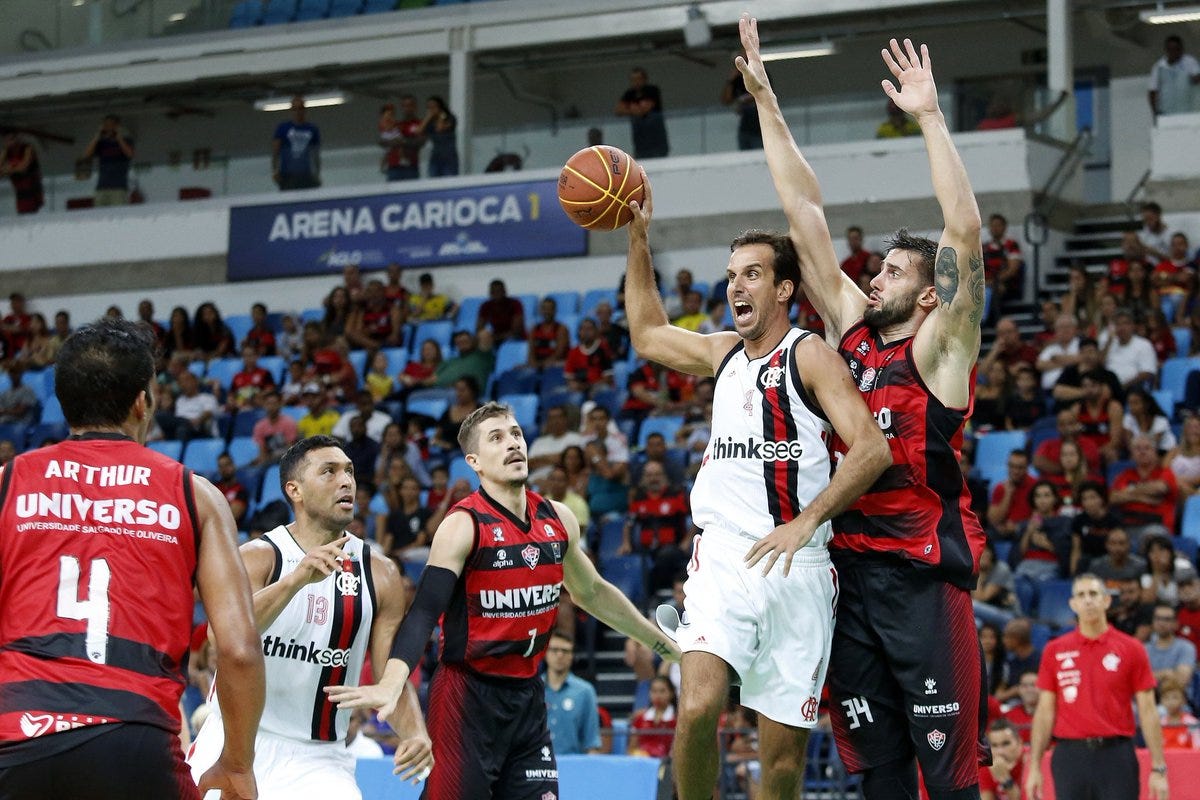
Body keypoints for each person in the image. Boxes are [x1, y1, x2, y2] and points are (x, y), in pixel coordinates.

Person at [623, 23, 892, 800]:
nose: (735, 287)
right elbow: (645, 334)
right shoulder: (720, 354)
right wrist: (639, 240)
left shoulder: (809, 354)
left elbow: (872, 448)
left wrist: (807, 523)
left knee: (779, 767)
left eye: (751, 274)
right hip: (725, 562)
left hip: (802, 570)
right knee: (698, 706)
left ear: (784, 289)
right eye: (729, 274)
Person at [743, 16, 988, 797]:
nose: (872, 278)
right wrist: (766, 101)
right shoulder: (850, 338)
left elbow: (965, 233)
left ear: (927, 292)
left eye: (890, 271)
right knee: (877, 777)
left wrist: (928, 118)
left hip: (921, 583)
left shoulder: (940, 353)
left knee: (949, 780)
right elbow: (804, 217)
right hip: (845, 581)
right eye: (874, 269)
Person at [325, 402, 681, 798]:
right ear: (473, 461)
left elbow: (592, 591)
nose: (513, 443)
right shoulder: (462, 525)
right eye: (497, 438)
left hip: (528, 697)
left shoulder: (557, 518)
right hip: (466, 698)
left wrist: (661, 643)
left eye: (516, 434)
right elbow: (425, 610)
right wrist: (391, 682)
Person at [0, 318, 265, 798]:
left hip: (16, 730)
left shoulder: (6, 483)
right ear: (144, 399)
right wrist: (237, 763)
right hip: (136, 737)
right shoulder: (195, 494)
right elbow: (240, 649)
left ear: (62, 399)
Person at [186, 436, 432, 797]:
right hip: (235, 744)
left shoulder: (381, 574)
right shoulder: (259, 557)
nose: (346, 481)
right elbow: (220, 639)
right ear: (295, 490)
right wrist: (296, 580)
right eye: (329, 472)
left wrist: (414, 732)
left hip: (320, 758)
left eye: (349, 471)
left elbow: (388, 677)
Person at [1024, 573, 1168, 800]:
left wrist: (1159, 769)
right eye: (1081, 595)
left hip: (1117, 755)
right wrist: (1034, 767)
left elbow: (1148, 711)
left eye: (1094, 594)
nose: (1088, 600)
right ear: (1073, 604)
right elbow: (1044, 712)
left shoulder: (1131, 648)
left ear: (1107, 600)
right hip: (1070, 757)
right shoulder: (1055, 650)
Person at [543, 631, 602, 756]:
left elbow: (591, 742)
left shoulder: (585, 691)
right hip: (537, 768)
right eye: (554, 650)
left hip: (573, 767)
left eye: (565, 651)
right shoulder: (533, 689)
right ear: (545, 653)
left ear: (571, 656)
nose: (559, 655)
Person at [616, 67, 669, 159]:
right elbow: (618, 110)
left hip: (656, 137)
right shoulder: (629, 94)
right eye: (633, 79)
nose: (636, 82)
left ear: (644, 79)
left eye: (638, 79)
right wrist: (634, 110)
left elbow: (645, 109)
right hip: (640, 142)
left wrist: (632, 108)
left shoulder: (652, 90)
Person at [82, 114, 134, 206]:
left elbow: (129, 154)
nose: (109, 128)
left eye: (111, 125)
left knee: (119, 211)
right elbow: (87, 155)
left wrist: (119, 138)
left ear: (117, 126)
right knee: (100, 214)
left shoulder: (126, 140)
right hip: (102, 186)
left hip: (119, 187)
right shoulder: (101, 143)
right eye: (106, 125)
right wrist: (96, 137)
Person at [272, 95, 321, 191]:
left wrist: (317, 173)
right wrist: (275, 171)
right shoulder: (283, 128)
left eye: (300, 109)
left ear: (304, 110)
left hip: (306, 174)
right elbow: (275, 151)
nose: (298, 112)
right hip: (287, 175)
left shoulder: (312, 129)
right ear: (291, 110)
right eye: (295, 109)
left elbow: (315, 154)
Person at [1149, 35, 1200, 117]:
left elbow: (1197, 79)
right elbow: (1153, 91)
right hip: (1166, 111)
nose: (1173, 52)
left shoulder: (1190, 62)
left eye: (1177, 49)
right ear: (1166, 50)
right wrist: (1155, 113)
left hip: (1188, 109)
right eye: (1170, 49)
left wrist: (1192, 79)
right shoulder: (1159, 66)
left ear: (1182, 49)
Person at [978, 719, 1027, 800]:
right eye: (994, 745)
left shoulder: (1031, 762)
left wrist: (1006, 780)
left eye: (1006, 743)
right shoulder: (987, 767)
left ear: (1020, 742)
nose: (1000, 751)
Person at [0, 131, 43, 215]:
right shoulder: (6, 151)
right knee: (22, 205)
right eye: (6, 140)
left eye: (11, 139)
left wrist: (8, 169)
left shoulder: (27, 148)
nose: (8, 142)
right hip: (18, 183)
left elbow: (24, 167)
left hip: (30, 181)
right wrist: (9, 169)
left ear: (17, 139)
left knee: (31, 204)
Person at [721, 64, 762, 150]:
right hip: (745, 130)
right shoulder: (737, 82)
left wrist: (742, 100)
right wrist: (731, 80)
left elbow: (760, 93)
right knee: (745, 157)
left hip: (759, 130)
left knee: (759, 155)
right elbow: (726, 100)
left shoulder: (759, 76)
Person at [422, 96, 459, 177]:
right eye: (429, 107)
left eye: (433, 106)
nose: (431, 109)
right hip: (435, 157)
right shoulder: (430, 122)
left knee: (449, 181)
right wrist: (427, 118)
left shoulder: (450, 118)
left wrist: (441, 115)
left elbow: (439, 128)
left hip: (449, 158)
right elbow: (419, 131)